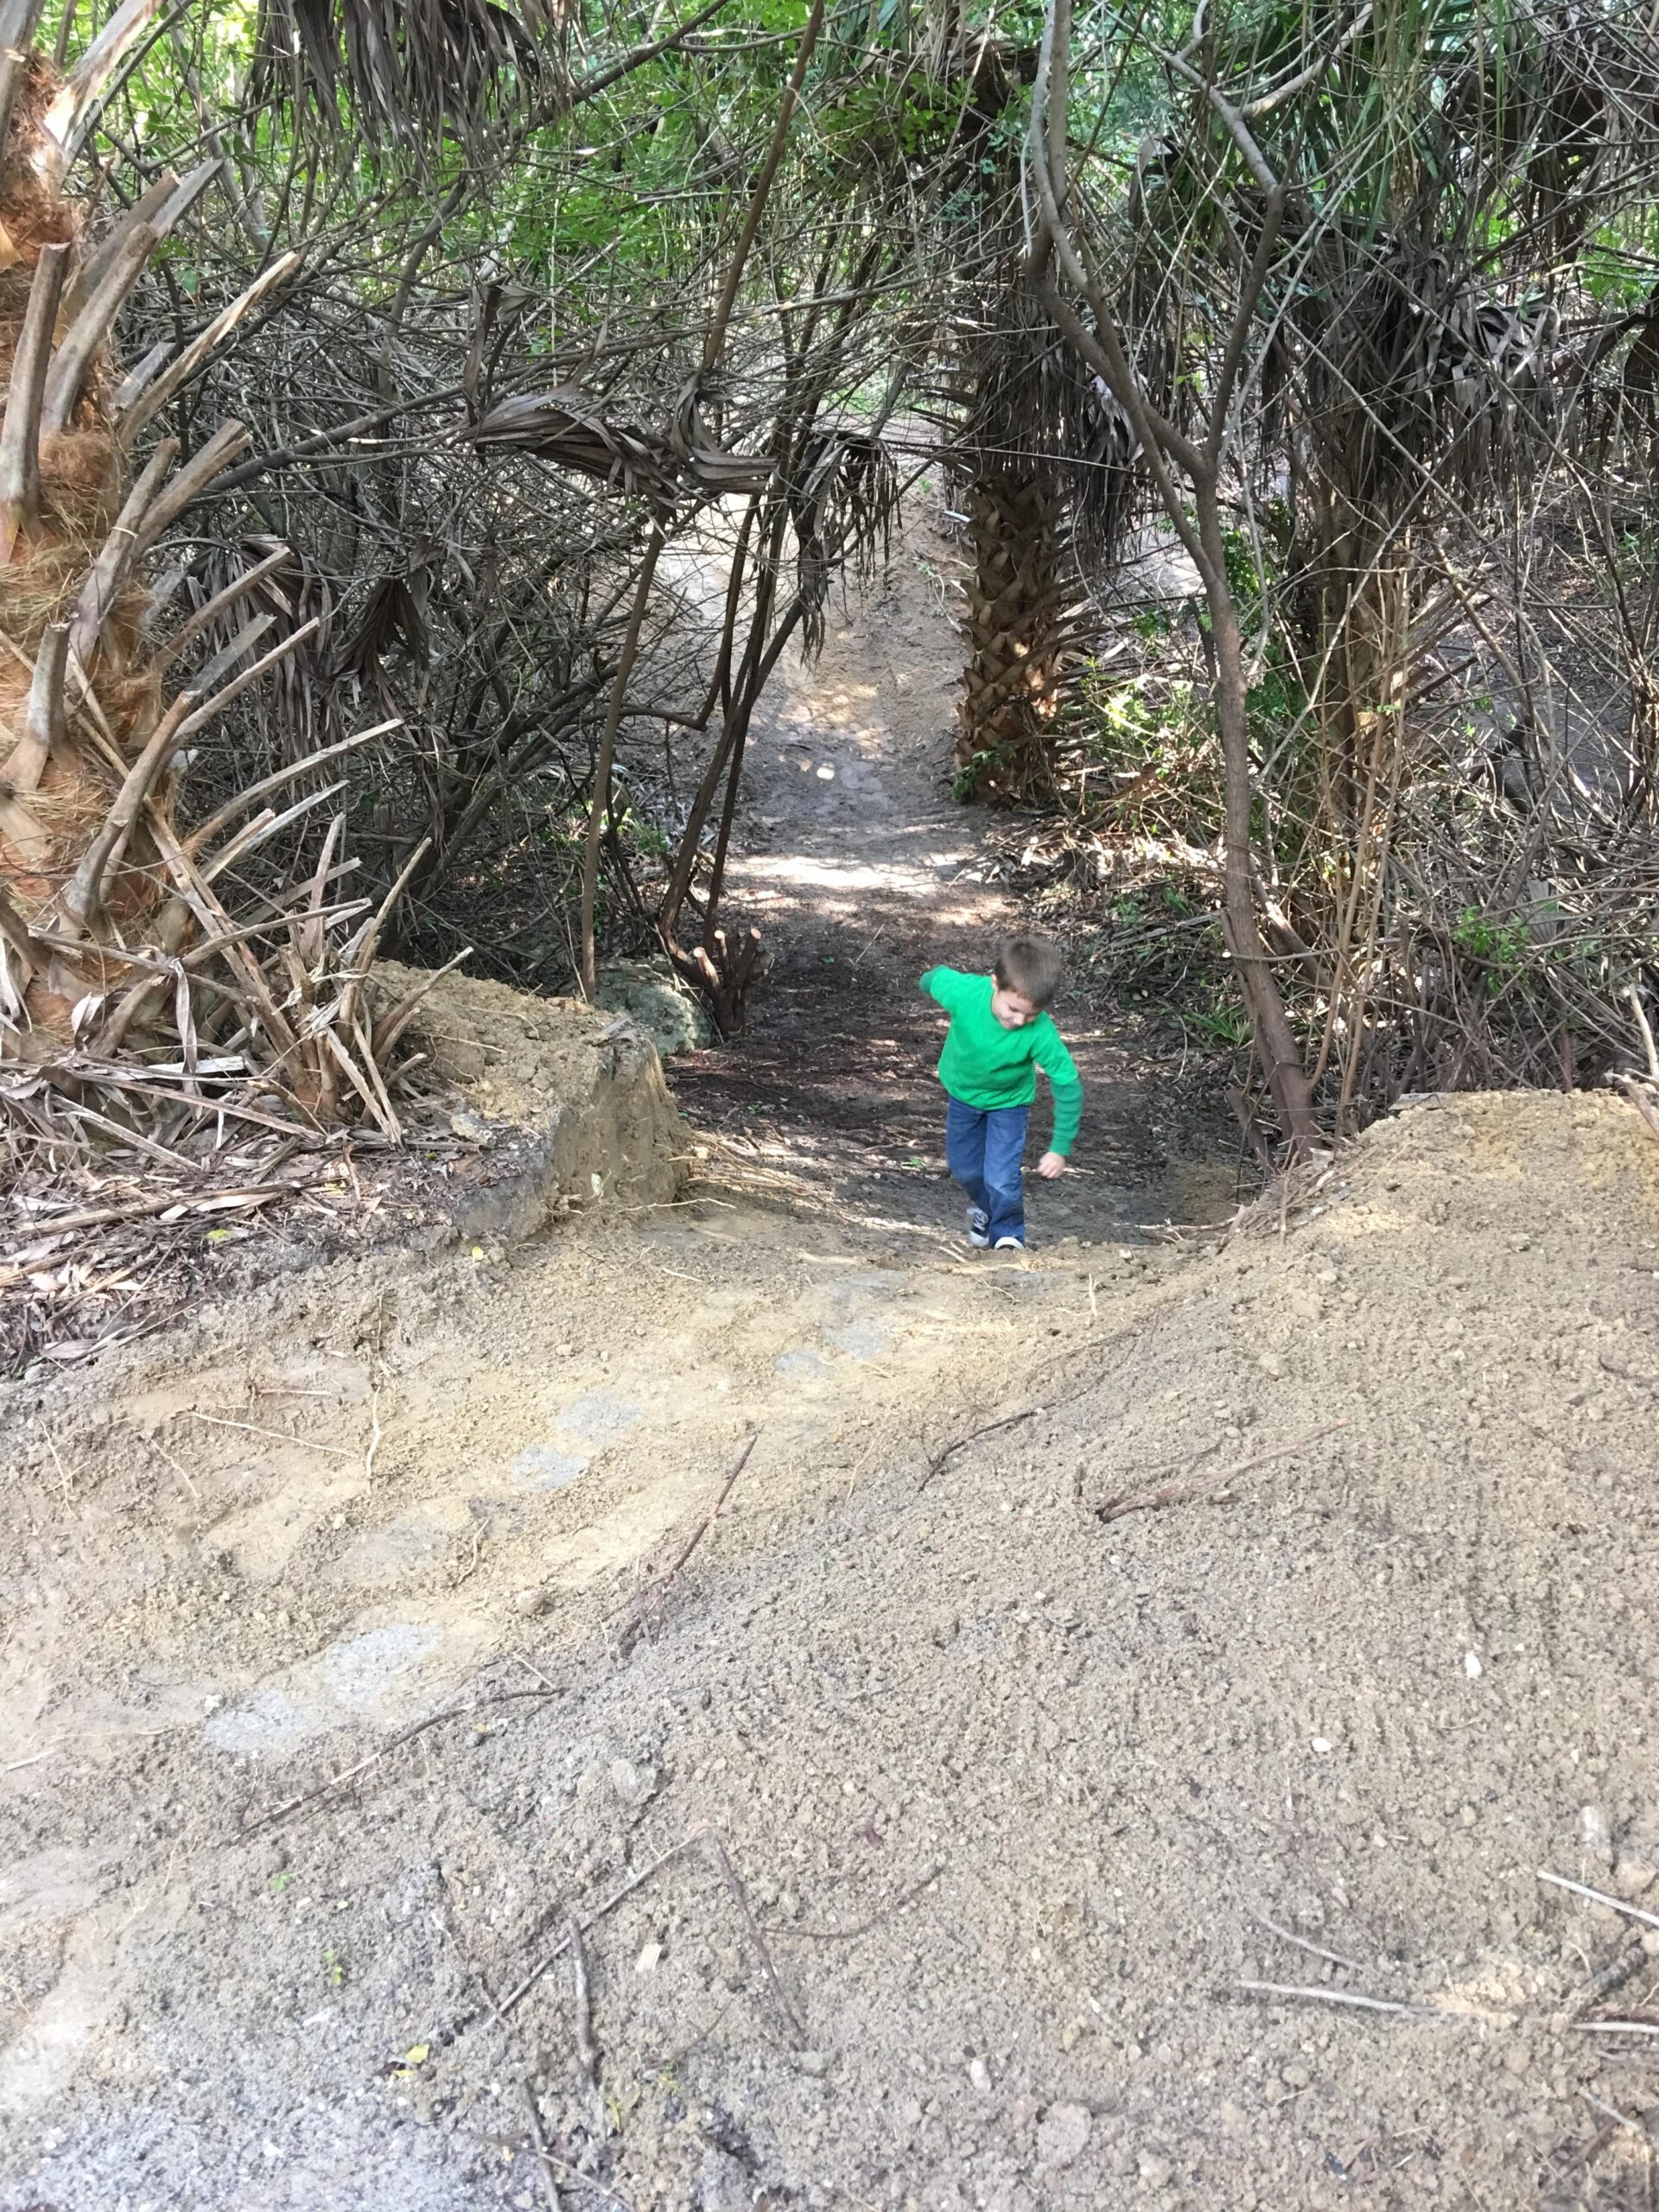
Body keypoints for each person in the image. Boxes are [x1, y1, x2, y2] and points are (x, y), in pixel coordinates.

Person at [919, 936, 1082, 1251]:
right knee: (965, 1168)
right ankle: (988, 1209)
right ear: (995, 984)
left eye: (1031, 1015)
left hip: (1009, 1104)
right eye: (1014, 1009)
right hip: (963, 1096)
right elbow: (936, 977)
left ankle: (1008, 1235)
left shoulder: (1040, 1032)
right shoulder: (966, 994)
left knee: (1000, 1176)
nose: (1020, 1021)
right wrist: (924, 982)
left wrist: (1060, 1147)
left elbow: (1068, 1082)